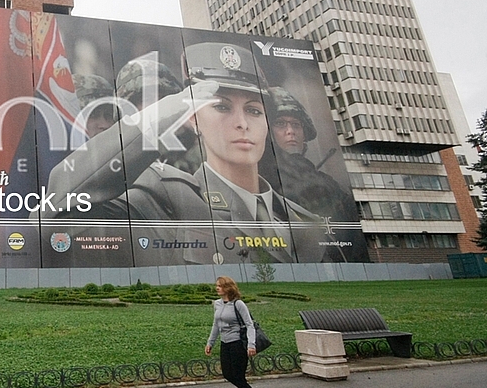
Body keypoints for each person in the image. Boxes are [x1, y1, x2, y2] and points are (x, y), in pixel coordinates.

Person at [44, 41, 323, 263]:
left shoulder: (310, 222)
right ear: (192, 118)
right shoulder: (162, 195)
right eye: (222, 106)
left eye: (254, 110)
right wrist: (159, 116)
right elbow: (56, 221)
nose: (242, 123)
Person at [260, 86, 361, 225]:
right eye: (280, 123)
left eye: (296, 125)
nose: (290, 131)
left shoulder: (327, 183)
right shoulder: (260, 177)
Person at [205, 275, 262, 388]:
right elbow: (216, 325)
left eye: (220, 286)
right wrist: (210, 342)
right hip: (225, 343)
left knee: (239, 376)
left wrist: (251, 345)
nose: (217, 288)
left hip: (238, 343)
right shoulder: (217, 304)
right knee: (228, 374)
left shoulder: (239, 304)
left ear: (228, 288)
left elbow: (249, 325)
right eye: (216, 285)